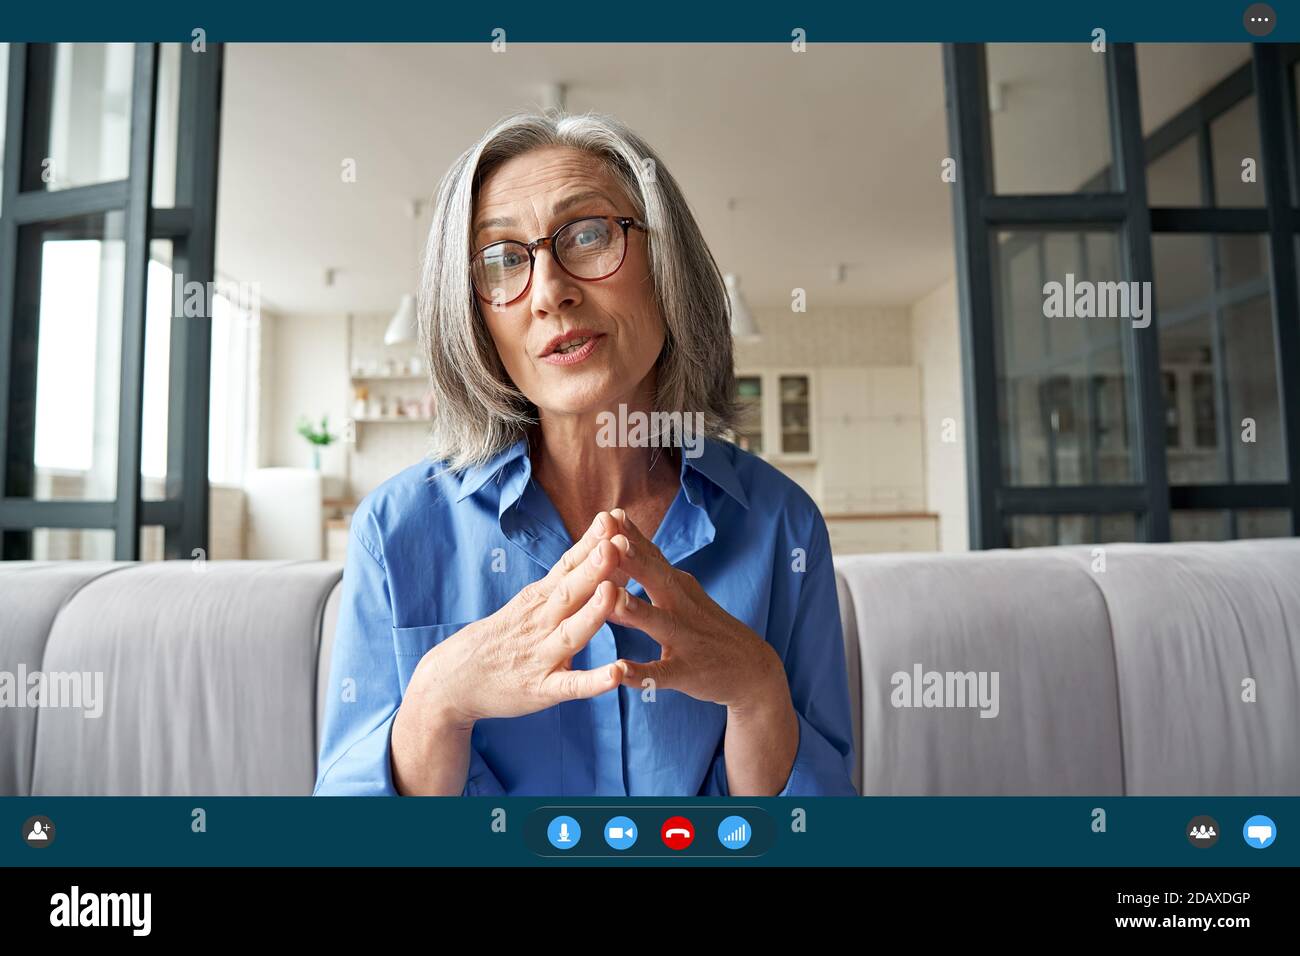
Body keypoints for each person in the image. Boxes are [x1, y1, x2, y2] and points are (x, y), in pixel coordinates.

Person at [313, 111, 857, 797]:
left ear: (667, 266)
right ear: (474, 314)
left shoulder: (784, 525)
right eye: (502, 259)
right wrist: (438, 700)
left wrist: (758, 692)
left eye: (590, 235)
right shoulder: (393, 533)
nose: (549, 293)